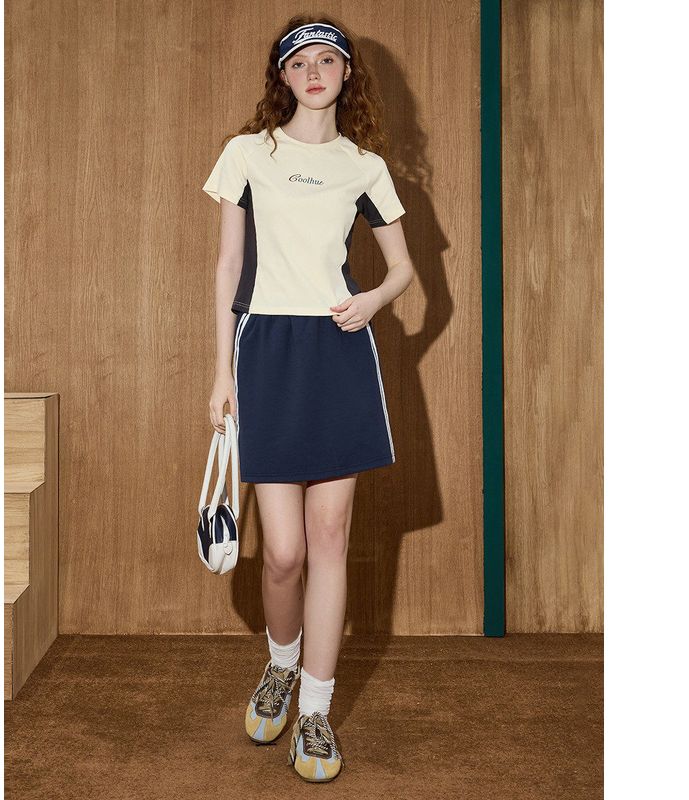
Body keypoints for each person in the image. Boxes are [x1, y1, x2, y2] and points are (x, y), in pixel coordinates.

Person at [202, 15, 413, 783]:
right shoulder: (246, 154)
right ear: (282, 76)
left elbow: (403, 270)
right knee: (284, 553)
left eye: (328, 59)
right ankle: (280, 665)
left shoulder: (365, 166)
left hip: (337, 355)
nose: (315, 71)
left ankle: (315, 714)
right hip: (266, 353)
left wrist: (374, 301)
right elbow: (228, 269)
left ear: (347, 72)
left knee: (328, 540)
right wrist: (222, 373)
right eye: (301, 62)